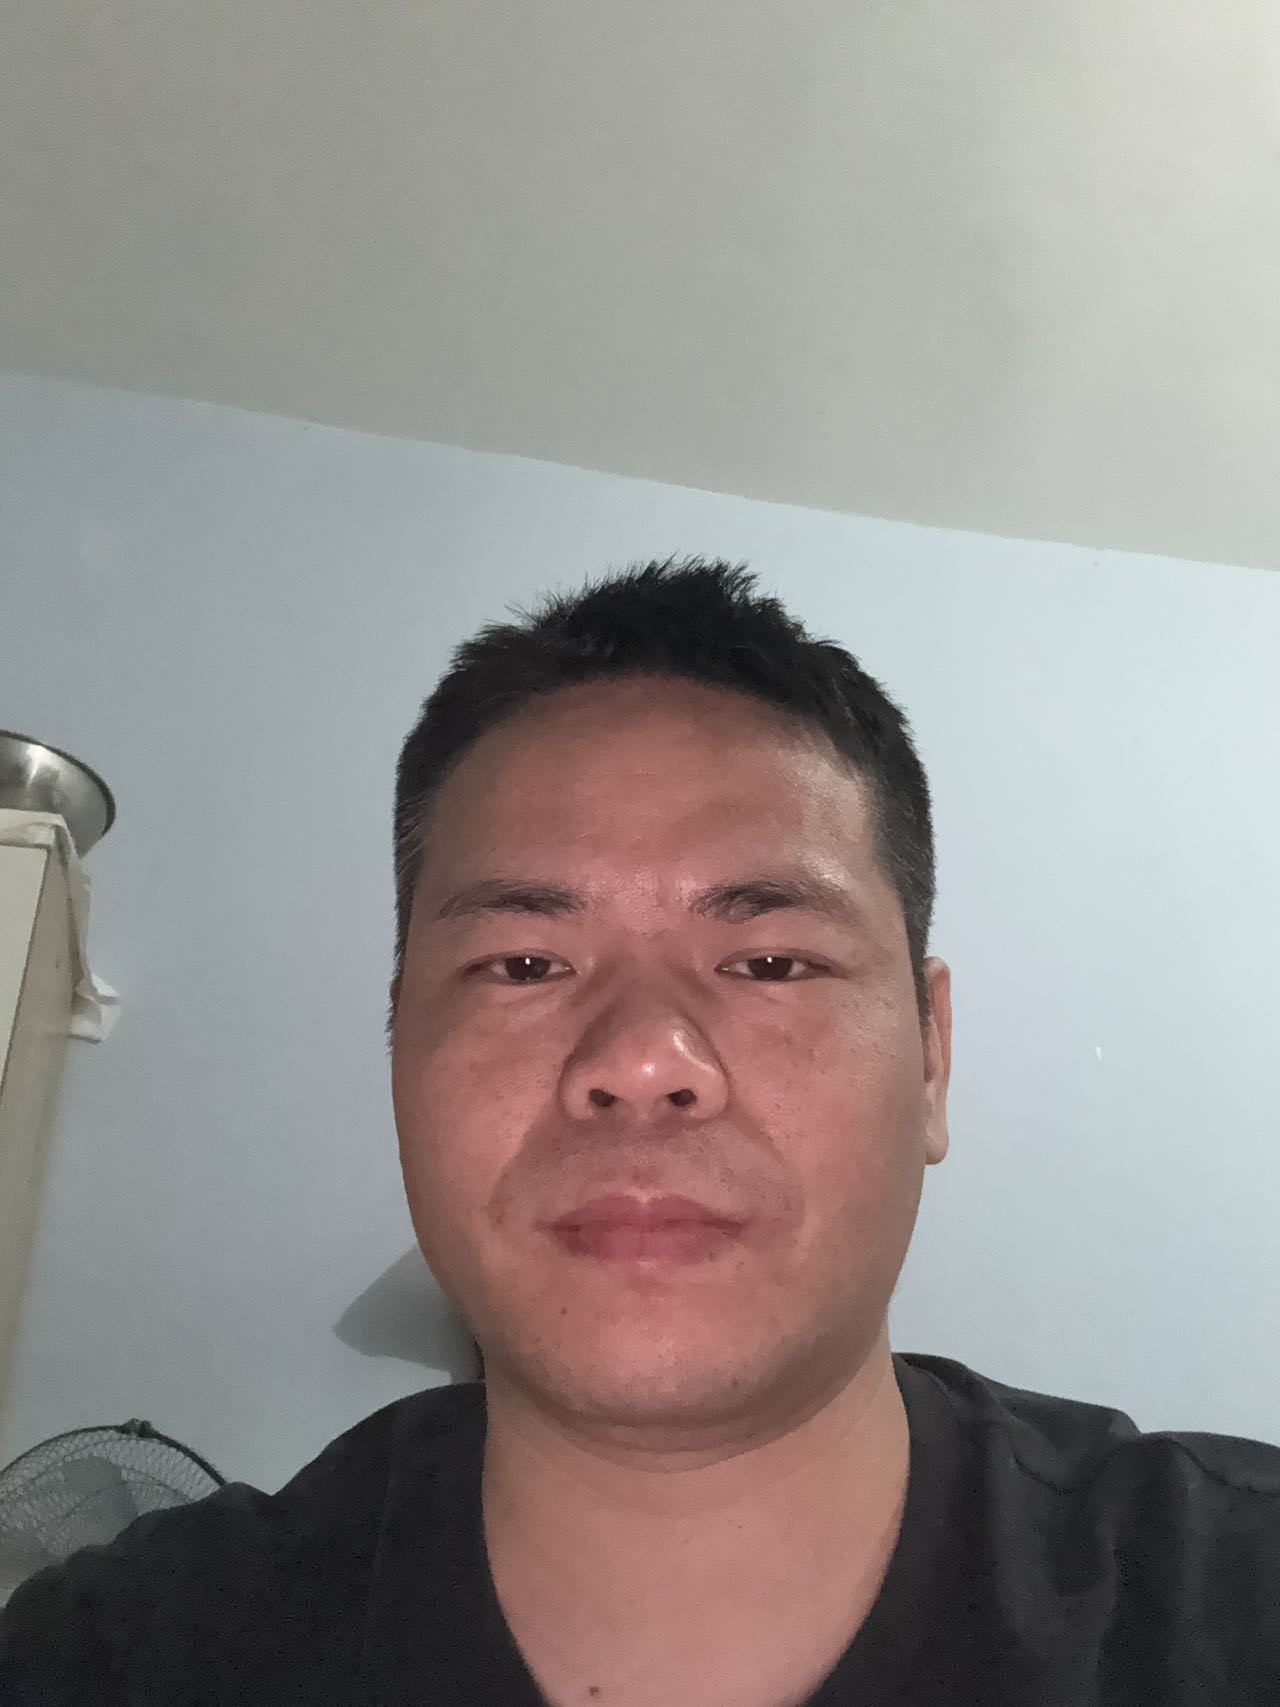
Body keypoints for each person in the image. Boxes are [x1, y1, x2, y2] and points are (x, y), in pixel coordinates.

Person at [2, 558, 1278, 1705]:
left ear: (931, 1056)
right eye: (522, 965)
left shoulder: (1228, 1601)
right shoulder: (120, 1658)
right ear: (396, 1046)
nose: (639, 1060)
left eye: (769, 961)